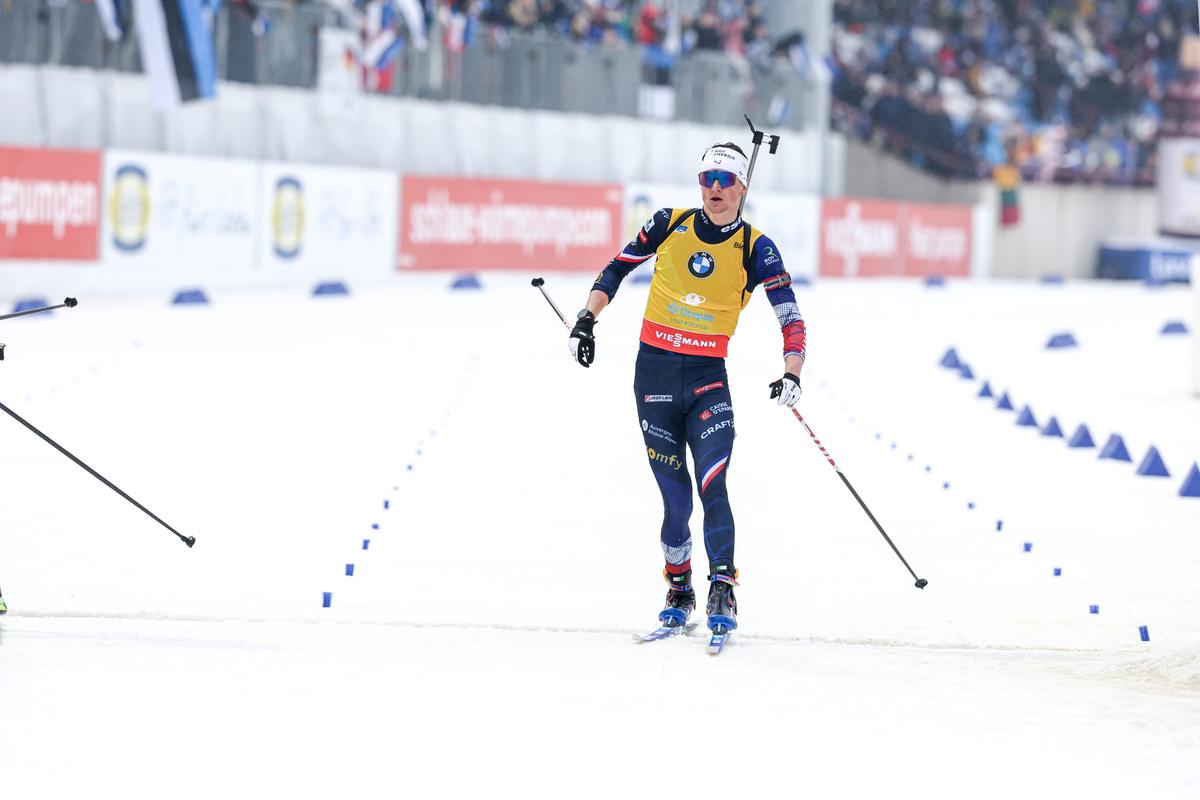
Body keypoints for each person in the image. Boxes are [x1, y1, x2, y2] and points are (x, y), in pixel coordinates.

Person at [568, 142, 806, 634]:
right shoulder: (668, 223)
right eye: (706, 178)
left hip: (706, 381)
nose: (714, 188)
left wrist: (792, 374)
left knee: (712, 483)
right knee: (676, 503)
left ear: (743, 186)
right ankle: (680, 586)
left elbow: (790, 317)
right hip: (653, 378)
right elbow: (616, 268)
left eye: (725, 180)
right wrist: (585, 320)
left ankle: (723, 585)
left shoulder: (756, 248)